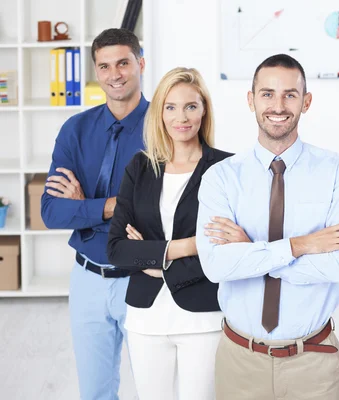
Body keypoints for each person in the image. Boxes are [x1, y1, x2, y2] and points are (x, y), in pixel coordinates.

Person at [196, 54, 339, 400]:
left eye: (290, 94)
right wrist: (299, 245)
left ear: (307, 102)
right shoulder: (221, 178)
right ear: (251, 99)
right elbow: (216, 266)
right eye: (267, 94)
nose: (278, 105)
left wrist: (251, 252)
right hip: (240, 360)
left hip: (313, 363)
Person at [106, 67, 231, 399]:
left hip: (203, 319)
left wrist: (152, 257)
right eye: (171, 107)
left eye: (191, 106)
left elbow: (225, 250)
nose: (182, 117)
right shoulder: (140, 167)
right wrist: (188, 246)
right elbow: (117, 249)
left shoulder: (227, 169)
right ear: (159, 112)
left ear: (204, 110)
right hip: (146, 318)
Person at [41, 28, 147, 400]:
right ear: (96, 71)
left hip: (143, 279)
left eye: (123, 63)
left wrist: (83, 206)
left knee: (158, 388)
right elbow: (52, 211)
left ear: (140, 63)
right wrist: (111, 205)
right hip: (87, 279)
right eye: (104, 66)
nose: (114, 74)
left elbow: (160, 215)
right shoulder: (76, 129)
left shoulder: (165, 127)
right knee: (95, 392)